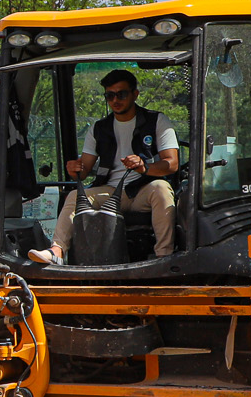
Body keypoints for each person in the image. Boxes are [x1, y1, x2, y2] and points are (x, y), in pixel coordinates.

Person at [29, 69, 181, 265]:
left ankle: (164, 257)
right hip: (111, 192)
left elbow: (172, 164)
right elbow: (83, 171)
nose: (115, 100)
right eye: (110, 95)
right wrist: (74, 167)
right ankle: (56, 251)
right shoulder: (99, 128)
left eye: (121, 94)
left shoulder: (157, 120)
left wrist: (144, 167)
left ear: (135, 94)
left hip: (143, 190)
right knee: (75, 195)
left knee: (161, 188)